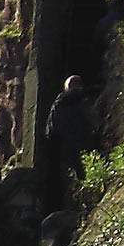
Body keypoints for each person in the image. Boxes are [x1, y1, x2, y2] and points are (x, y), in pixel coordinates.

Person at [46, 75, 94, 206]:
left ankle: (74, 210)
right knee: (88, 180)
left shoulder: (58, 105)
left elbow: (50, 132)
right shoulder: (86, 102)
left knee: (71, 186)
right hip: (86, 148)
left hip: (66, 153)